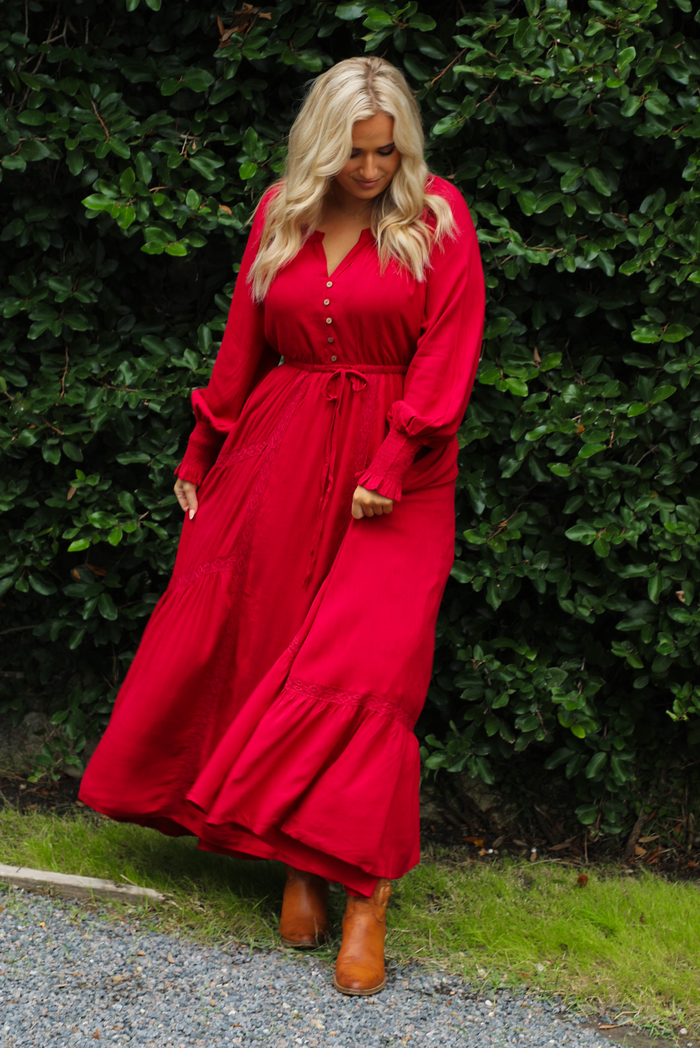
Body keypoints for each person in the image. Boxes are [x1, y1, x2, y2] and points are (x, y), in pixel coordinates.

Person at [79, 55, 485, 996]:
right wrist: (202, 448)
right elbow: (243, 344)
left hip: (400, 467)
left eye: (387, 152)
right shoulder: (281, 213)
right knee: (274, 646)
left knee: (369, 668)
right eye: (355, 153)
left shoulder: (438, 217)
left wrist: (395, 460)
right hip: (283, 450)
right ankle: (297, 865)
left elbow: (449, 351)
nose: (372, 171)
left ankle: (366, 897)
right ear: (320, 145)